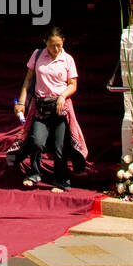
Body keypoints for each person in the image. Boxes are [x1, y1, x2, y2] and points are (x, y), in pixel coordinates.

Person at [11, 26, 86, 193]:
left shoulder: (68, 59)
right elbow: (28, 80)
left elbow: (73, 84)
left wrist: (63, 96)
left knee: (60, 147)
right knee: (36, 141)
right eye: (52, 45)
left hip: (60, 107)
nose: (56, 49)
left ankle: (61, 179)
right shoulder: (37, 55)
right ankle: (35, 173)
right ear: (45, 42)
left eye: (59, 45)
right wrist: (21, 102)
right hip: (41, 106)